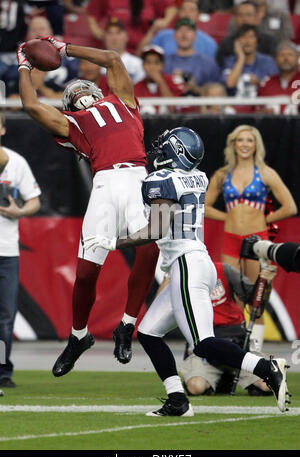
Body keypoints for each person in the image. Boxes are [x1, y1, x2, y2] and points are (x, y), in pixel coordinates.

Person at [83, 126, 290, 416]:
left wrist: (111, 242)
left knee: (203, 344)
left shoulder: (163, 180)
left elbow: (155, 229)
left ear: (176, 151)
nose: (160, 148)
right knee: (148, 333)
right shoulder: (198, 176)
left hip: (186, 264)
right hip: (196, 261)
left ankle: (265, 367)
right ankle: (177, 400)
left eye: (167, 144)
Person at [17, 36, 159, 373]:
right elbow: (31, 106)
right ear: (67, 104)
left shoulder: (123, 100)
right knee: (85, 271)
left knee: (150, 248)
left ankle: (127, 324)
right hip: (105, 184)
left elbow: (111, 57)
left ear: (98, 91)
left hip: (138, 176)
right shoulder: (72, 124)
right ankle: (78, 335)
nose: (78, 90)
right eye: (72, 91)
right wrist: (24, 65)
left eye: (84, 86)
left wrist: (64, 48)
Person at [204, 124, 297, 350]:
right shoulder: (222, 174)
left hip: (257, 242)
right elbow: (204, 206)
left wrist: (263, 219)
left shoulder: (266, 173)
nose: (245, 144)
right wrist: (228, 217)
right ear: (233, 144)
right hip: (231, 240)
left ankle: (255, 350)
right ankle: (237, 349)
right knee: (233, 297)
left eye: (249, 140)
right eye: (240, 140)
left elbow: (290, 206)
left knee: (257, 298)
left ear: (256, 146)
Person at [180, 261, 276, 396]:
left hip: (235, 341)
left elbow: (253, 297)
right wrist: (168, 280)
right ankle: (223, 378)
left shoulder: (224, 269)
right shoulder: (180, 274)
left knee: (267, 386)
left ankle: (230, 375)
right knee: (196, 387)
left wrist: (266, 284)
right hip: (204, 346)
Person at [0, 112, 41, 388]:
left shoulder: (16, 162)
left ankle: (3, 370)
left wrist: (20, 211)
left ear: (2, 130)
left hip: (6, 249)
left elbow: (35, 200)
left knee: (5, 315)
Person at [85, 0, 178, 55]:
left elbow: (171, 7)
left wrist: (165, 21)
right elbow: (92, 10)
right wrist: (95, 29)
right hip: (116, 49)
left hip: (143, 49)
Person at [137, 0, 218, 58]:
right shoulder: (163, 36)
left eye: (191, 10)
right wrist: (152, 31)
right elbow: (140, 54)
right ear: (178, 13)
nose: (187, 13)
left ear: (198, 15)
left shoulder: (208, 42)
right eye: (183, 9)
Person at [221, 24, 279, 99]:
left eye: (251, 37)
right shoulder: (229, 61)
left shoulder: (268, 61)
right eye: (243, 37)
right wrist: (241, 58)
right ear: (236, 42)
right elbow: (230, 84)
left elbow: (275, 89)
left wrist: (259, 84)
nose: (247, 41)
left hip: (260, 106)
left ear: (257, 41)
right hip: (235, 106)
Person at [163, 18, 220, 92]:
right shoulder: (164, 63)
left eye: (188, 30)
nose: (184, 34)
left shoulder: (208, 63)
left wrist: (194, 88)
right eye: (180, 30)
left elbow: (217, 94)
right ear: (174, 35)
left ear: (195, 35)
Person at [216, 1, 279, 68]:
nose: (244, 19)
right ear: (235, 18)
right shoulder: (226, 43)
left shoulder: (269, 42)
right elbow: (220, 69)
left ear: (257, 17)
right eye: (240, 15)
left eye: (248, 15)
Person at [134, 45, 184, 115]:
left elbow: (173, 108)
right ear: (143, 65)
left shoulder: (173, 81)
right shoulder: (136, 87)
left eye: (156, 63)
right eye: (148, 62)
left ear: (162, 65)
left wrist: (160, 82)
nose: (152, 67)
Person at [257, 41, 300, 115]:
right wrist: (265, 112)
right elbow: (257, 109)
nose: (286, 58)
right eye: (282, 55)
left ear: (297, 58)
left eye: (290, 54)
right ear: (275, 59)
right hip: (271, 124)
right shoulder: (267, 83)